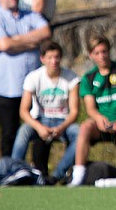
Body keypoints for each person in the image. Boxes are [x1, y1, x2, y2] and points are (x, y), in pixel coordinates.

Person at [0, 0, 51, 158]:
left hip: (33, 87)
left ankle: (39, 170)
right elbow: (4, 44)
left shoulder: (30, 16)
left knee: (40, 130)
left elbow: (45, 32)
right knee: (9, 133)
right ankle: (8, 168)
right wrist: (31, 41)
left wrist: (15, 40)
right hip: (7, 87)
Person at [69, 34, 116, 186]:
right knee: (85, 127)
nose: (102, 56)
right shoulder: (88, 78)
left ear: (109, 51)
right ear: (91, 55)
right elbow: (90, 108)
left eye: (104, 51)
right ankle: (78, 176)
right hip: (102, 123)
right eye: (97, 53)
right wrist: (99, 118)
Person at [11, 40, 79, 183]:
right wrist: (39, 127)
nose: (54, 61)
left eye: (57, 57)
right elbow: (23, 111)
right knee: (23, 132)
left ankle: (57, 175)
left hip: (63, 121)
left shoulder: (71, 77)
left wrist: (61, 127)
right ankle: (15, 171)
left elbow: (74, 112)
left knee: (80, 134)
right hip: (40, 119)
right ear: (42, 59)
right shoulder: (33, 77)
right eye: (50, 57)